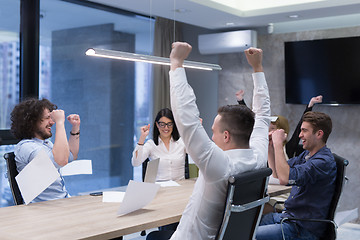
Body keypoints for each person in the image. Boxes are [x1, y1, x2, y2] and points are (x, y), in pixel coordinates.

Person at [146, 42, 270, 240]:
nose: (211, 137)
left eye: (214, 132)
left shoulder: (219, 165)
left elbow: (187, 119)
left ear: (226, 136)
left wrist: (176, 62)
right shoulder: (258, 158)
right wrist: (257, 68)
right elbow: (263, 117)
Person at [257, 111, 336, 240]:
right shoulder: (307, 155)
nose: (300, 135)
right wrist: (270, 147)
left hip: (301, 228)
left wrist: (278, 144)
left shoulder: (323, 162)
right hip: (289, 218)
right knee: (247, 225)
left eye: (304, 131)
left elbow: (285, 178)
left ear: (319, 134)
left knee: (249, 235)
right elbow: (277, 173)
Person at [10, 98, 80, 202]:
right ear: (32, 121)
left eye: (52, 118)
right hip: (43, 208)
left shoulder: (46, 144)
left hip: (61, 202)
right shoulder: (26, 147)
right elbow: (61, 160)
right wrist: (60, 123)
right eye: (48, 118)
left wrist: (75, 127)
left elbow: (70, 156)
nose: (52, 122)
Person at [131, 108, 186, 181]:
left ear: (173, 125)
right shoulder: (151, 144)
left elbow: (198, 154)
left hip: (180, 187)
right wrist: (142, 138)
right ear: (157, 124)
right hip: (160, 188)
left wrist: (197, 132)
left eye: (169, 124)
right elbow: (136, 163)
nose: (166, 128)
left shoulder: (182, 142)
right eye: (162, 124)